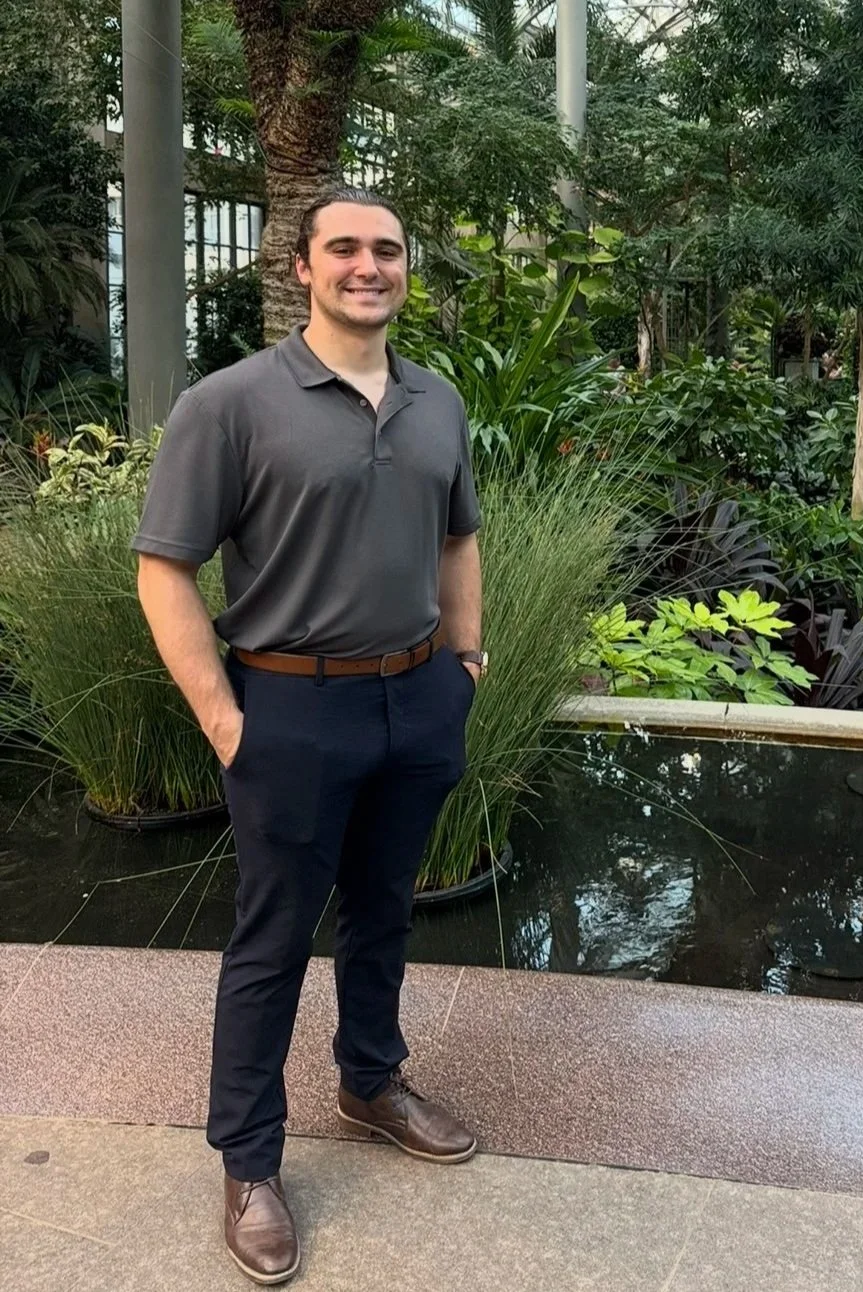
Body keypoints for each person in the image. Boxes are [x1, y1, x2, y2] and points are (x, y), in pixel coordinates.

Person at [133, 188, 487, 1286]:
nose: (366, 264)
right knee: (273, 938)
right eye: (344, 247)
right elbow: (164, 568)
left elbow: (459, 536)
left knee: (384, 906)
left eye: (386, 248)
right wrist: (221, 712)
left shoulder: (437, 401)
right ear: (302, 267)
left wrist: (464, 664)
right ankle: (248, 1161)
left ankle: (370, 1079)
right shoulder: (230, 403)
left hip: (415, 698)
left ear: (406, 268)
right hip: (288, 706)